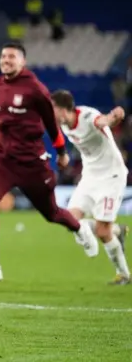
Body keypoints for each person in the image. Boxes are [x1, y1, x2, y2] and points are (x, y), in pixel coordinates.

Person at [0, 43, 99, 284]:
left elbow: (52, 124)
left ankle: (80, 228)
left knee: (51, 213)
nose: (6, 60)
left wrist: (61, 153)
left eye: (12, 57)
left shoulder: (36, 90)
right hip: (3, 158)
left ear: (22, 62)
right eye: (3, 56)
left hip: (32, 161)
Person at [51, 90, 130, 285]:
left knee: (103, 233)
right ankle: (117, 231)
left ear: (62, 110)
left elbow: (103, 121)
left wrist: (114, 116)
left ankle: (124, 275)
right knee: (69, 220)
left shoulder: (87, 116)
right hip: (90, 177)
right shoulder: (63, 125)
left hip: (111, 175)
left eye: (52, 108)